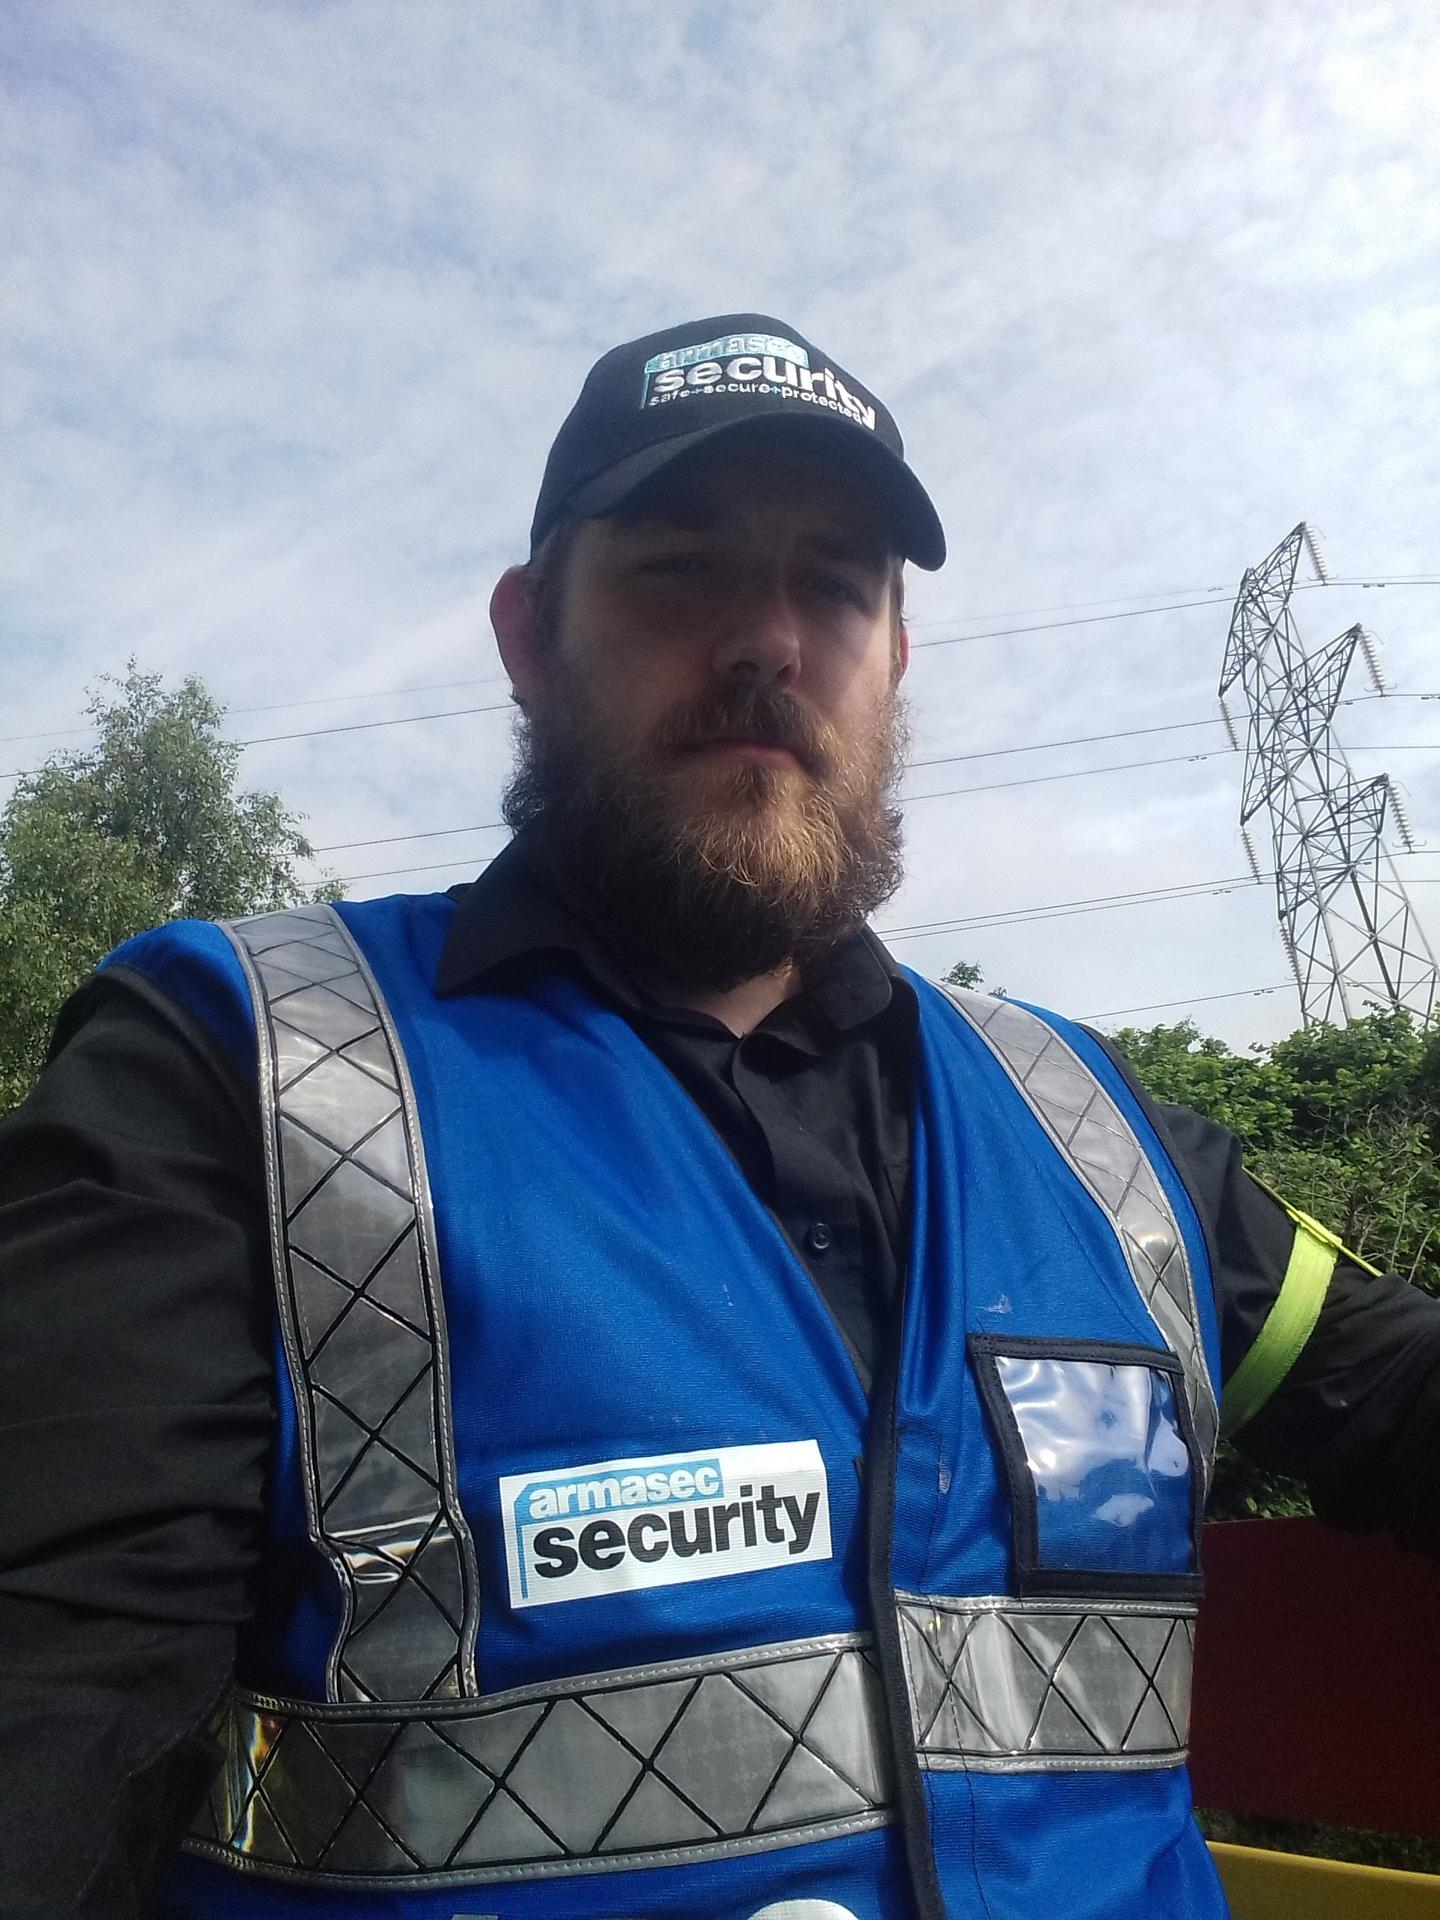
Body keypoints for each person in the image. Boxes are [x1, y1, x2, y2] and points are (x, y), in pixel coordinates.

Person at [1, 313, 1437, 1920]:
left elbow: (1394, 1389)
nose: (767, 638)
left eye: (835, 585)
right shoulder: (241, 1080)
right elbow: (54, 1702)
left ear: (895, 663)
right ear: (530, 636)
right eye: (681, 570)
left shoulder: (1088, 1132)